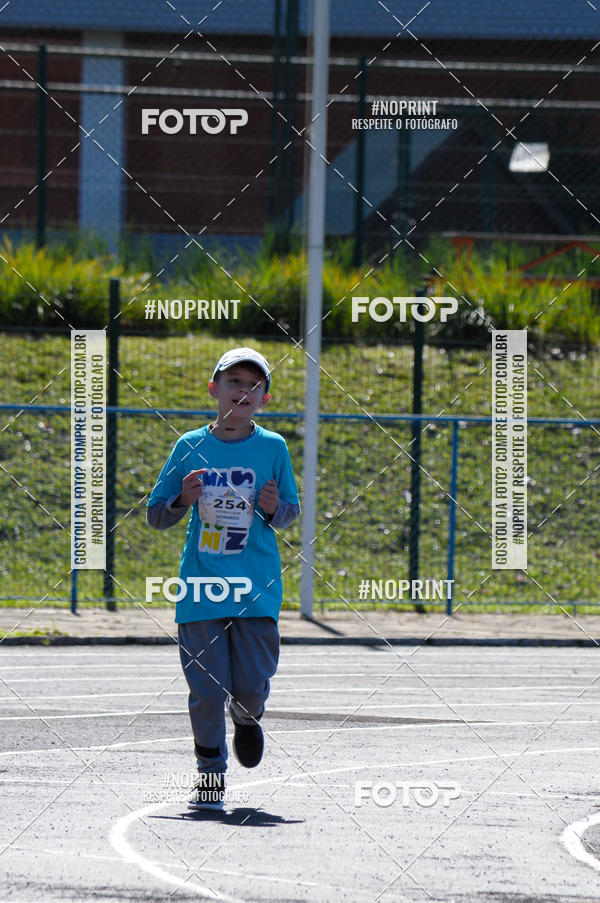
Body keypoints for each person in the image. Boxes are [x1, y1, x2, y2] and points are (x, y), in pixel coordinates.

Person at [147, 347, 300, 809]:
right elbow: (155, 515)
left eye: (254, 385)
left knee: (251, 685)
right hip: (201, 588)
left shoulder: (273, 448)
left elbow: (291, 511)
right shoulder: (188, 446)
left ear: (265, 398)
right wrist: (181, 500)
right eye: (234, 382)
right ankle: (210, 775)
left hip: (256, 589)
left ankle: (248, 718)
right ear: (215, 389)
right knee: (206, 689)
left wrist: (275, 509)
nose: (243, 391)